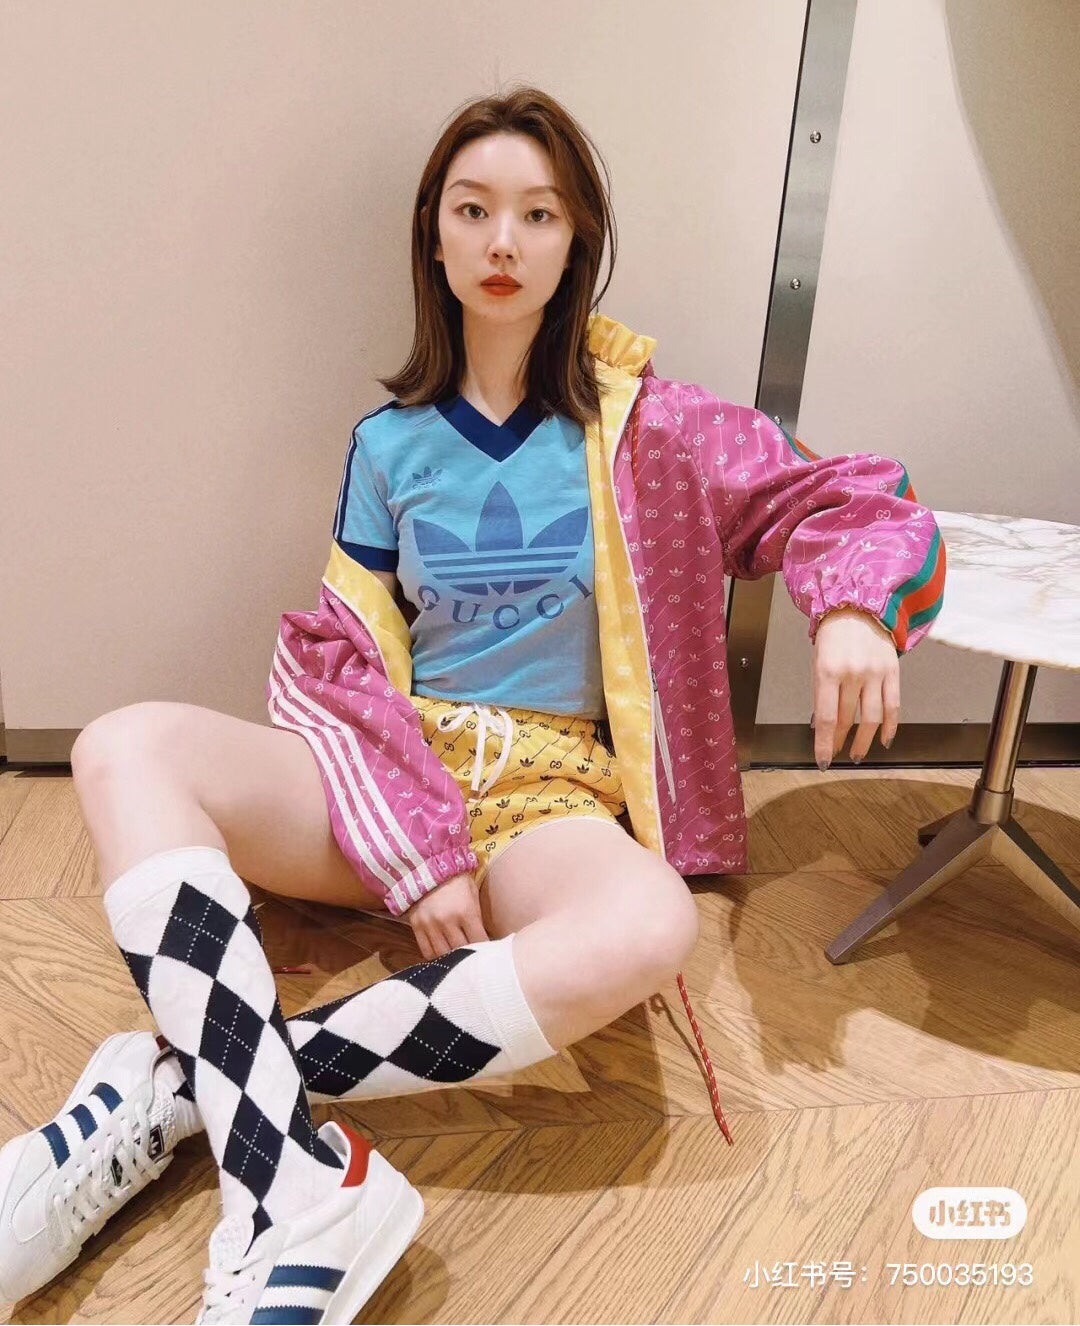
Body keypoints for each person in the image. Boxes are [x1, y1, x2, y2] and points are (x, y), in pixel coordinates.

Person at [0, 85, 945, 1324]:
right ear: (433, 237)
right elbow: (342, 658)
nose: (504, 241)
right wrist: (415, 849)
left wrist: (855, 608)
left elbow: (850, 497)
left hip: (553, 794)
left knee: (646, 929)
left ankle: (190, 1096)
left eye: (538, 214)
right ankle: (293, 1184)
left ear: (576, 241)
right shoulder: (388, 445)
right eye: (474, 210)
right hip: (396, 774)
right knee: (124, 744)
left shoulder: (655, 427)